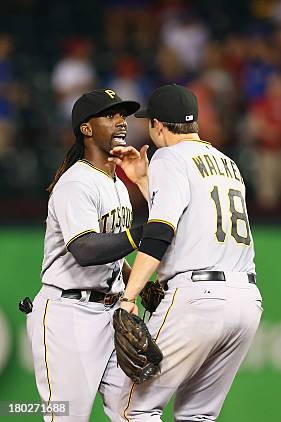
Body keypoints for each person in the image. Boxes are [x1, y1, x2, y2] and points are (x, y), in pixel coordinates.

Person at [110, 84, 262, 421]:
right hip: (246, 300)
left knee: (132, 410)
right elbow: (193, 217)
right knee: (197, 415)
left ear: (159, 126)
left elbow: (161, 231)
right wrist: (145, 183)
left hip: (198, 298)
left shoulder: (168, 156)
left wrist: (129, 295)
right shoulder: (227, 162)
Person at [26, 89, 143, 421]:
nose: (121, 122)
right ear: (86, 128)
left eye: (123, 115)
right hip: (68, 314)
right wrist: (142, 233)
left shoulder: (117, 183)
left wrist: (137, 282)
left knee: (134, 413)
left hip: (111, 313)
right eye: (110, 115)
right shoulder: (76, 182)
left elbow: (113, 253)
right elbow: (86, 249)